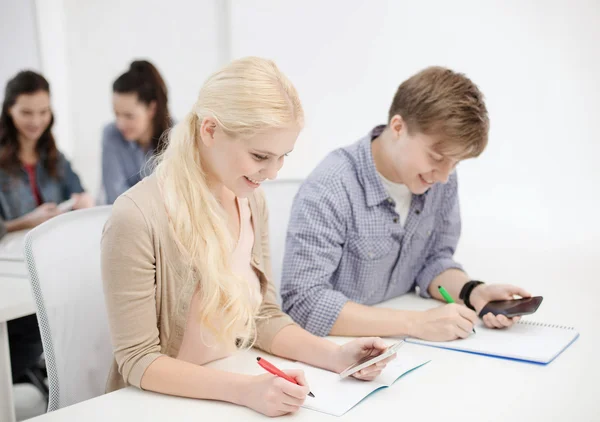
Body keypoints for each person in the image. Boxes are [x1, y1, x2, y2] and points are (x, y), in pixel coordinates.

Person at [101, 57, 393, 418]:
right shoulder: (137, 216)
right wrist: (244, 391)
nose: (271, 172)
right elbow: (138, 361)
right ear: (210, 130)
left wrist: (335, 355)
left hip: (229, 387)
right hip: (160, 405)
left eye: (282, 156)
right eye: (260, 155)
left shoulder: (251, 200)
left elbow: (263, 316)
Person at [280, 66, 532, 341]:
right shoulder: (330, 187)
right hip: (340, 354)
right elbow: (303, 302)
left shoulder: (439, 178)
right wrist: (415, 323)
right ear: (398, 128)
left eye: (455, 162)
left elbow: (433, 261)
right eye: (437, 157)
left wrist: (472, 291)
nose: (445, 175)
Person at [0, 70, 94, 381]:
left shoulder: (54, 156)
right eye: (26, 112)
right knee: (30, 332)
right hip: (12, 272)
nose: (36, 121)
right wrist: (26, 221)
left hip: (53, 266)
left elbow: (79, 192)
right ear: (9, 109)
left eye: (43, 112)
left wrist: (81, 203)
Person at [101, 60, 172, 204]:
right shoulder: (111, 135)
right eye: (116, 114)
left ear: (151, 109)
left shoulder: (177, 136)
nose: (120, 124)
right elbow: (116, 198)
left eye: (129, 116)